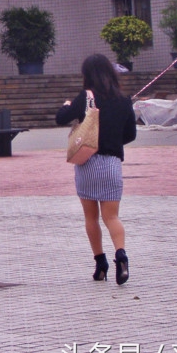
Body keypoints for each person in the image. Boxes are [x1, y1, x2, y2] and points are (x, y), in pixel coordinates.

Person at [55, 53, 137, 285]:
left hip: (87, 163)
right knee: (112, 216)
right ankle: (121, 255)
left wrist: (66, 106)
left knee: (91, 217)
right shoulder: (124, 100)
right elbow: (130, 134)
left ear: (87, 75)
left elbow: (60, 118)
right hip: (112, 164)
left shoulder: (86, 98)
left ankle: (100, 264)